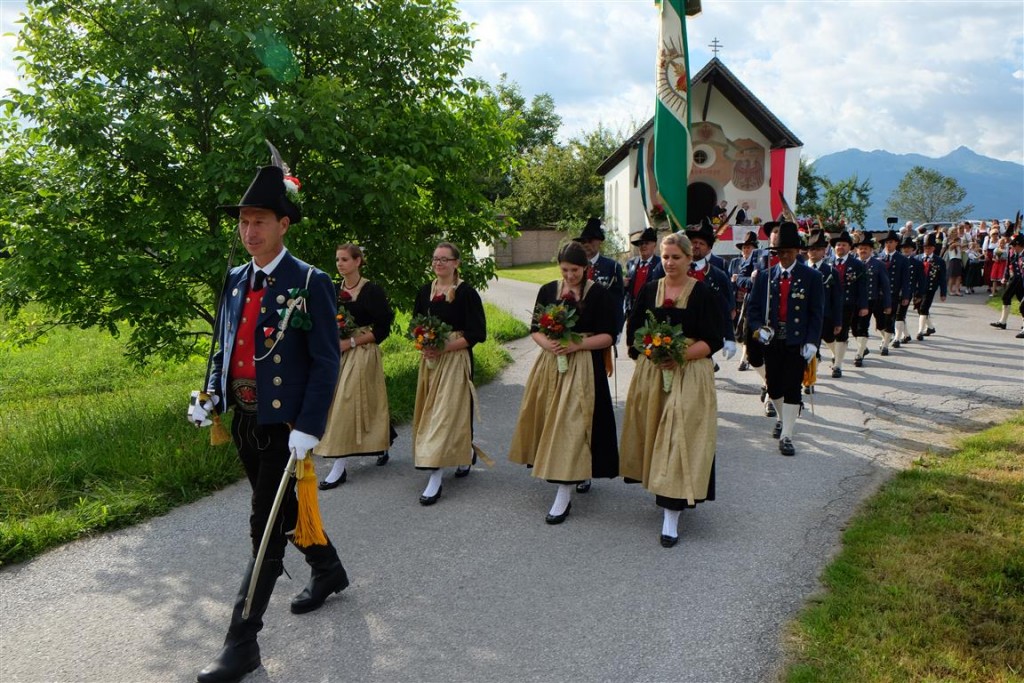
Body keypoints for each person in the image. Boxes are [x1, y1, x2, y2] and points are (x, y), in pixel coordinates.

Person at [189, 163, 348, 683]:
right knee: (284, 513)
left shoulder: (309, 282)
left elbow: (326, 361)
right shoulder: (235, 279)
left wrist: (310, 425)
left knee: (265, 529)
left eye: (259, 220)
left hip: (286, 428)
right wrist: (212, 393)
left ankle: (242, 643)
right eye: (243, 222)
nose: (249, 231)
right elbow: (225, 344)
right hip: (244, 420)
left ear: (284, 224)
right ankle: (327, 570)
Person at [619, 233, 723, 547]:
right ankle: (664, 489)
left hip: (689, 374)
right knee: (656, 436)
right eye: (666, 257)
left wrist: (678, 355)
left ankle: (671, 516)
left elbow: (713, 340)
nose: (669, 262)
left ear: (690, 259)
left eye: (676, 257)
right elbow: (635, 332)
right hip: (654, 375)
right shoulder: (650, 290)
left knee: (680, 437)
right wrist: (652, 351)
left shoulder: (703, 293)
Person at [508, 241, 619, 524]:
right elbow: (535, 330)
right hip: (551, 365)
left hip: (583, 366)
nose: (570, 276)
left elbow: (608, 336)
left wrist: (576, 344)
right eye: (565, 269)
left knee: (572, 424)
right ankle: (575, 472)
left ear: (586, 268)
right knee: (553, 423)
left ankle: (563, 493)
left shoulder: (599, 295)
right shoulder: (548, 291)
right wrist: (550, 344)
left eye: (575, 270)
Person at [314, 244, 396, 489]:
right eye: (338, 259)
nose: (340, 264)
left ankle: (338, 467)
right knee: (358, 401)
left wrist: (351, 341)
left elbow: (382, 329)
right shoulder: (333, 289)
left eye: (345, 259)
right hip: (336, 351)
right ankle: (383, 440)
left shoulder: (372, 291)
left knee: (344, 403)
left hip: (362, 349)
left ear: (358, 261)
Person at [411, 242, 487, 505]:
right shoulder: (424, 292)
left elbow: (477, 333)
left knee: (445, 413)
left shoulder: (467, 293)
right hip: (431, 360)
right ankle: (464, 450)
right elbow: (415, 324)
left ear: (456, 263)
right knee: (432, 411)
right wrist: (423, 344)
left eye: (444, 259)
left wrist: (444, 347)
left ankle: (435, 476)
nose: (438, 263)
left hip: (455, 358)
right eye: (435, 259)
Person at [746, 222, 824, 456]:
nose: (785, 256)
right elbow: (753, 309)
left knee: (792, 387)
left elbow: (816, 313)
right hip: (772, 340)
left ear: (798, 251)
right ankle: (781, 418)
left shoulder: (812, 277)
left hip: (796, 340)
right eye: (780, 252)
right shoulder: (765, 277)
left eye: (789, 251)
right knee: (774, 386)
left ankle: (787, 435)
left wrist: (812, 342)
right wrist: (760, 329)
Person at [572, 217, 624, 494]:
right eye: (582, 242)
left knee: (595, 404)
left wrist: (612, 336)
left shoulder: (611, 268)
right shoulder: (575, 269)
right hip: (573, 344)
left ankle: (592, 462)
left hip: (599, 340)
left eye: (590, 242)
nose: (587, 246)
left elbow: (617, 306)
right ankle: (575, 463)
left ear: (599, 243)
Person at [685, 220, 737, 363]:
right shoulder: (679, 270)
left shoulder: (718, 275)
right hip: (681, 334)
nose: (696, 246)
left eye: (701, 244)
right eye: (694, 242)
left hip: (707, 335)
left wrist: (730, 337)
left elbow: (727, 308)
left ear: (708, 248)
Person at [826, 230, 868, 378]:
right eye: (838, 245)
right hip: (828, 305)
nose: (840, 247)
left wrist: (863, 305)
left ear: (850, 247)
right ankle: (835, 354)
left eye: (843, 245)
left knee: (841, 334)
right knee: (827, 334)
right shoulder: (827, 263)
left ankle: (837, 365)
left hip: (847, 304)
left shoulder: (857, 264)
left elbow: (863, 286)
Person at [851, 234, 891, 366]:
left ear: (871, 250)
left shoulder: (878, 264)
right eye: (860, 248)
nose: (863, 251)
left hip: (870, 300)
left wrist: (887, 304)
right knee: (854, 328)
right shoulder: (852, 263)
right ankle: (863, 347)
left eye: (866, 248)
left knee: (863, 326)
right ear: (857, 250)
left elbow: (885, 285)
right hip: (853, 301)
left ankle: (859, 354)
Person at [805, 231, 843, 363]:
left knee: (829, 338)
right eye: (811, 249)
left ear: (824, 251)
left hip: (825, 315)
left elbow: (837, 298)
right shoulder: (800, 269)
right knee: (811, 346)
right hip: (804, 315)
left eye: (818, 249)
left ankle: (836, 356)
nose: (814, 252)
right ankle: (810, 377)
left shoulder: (831, 271)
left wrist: (838, 321)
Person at [729, 231, 760, 371]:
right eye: (744, 247)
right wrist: (733, 280)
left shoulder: (758, 264)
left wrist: (743, 280)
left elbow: (755, 282)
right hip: (736, 300)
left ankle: (744, 359)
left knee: (746, 329)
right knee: (738, 332)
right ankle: (746, 353)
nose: (746, 250)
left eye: (749, 247)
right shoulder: (735, 262)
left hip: (750, 300)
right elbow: (729, 280)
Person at [878, 230, 912, 350]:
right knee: (879, 322)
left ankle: (886, 345)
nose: (888, 244)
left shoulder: (902, 259)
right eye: (886, 242)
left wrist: (905, 296)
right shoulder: (878, 257)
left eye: (891, 242)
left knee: (889, 319)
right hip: (878, 295)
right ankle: (885, 337)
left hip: (893, 294)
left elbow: (906, 280)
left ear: (896, 243)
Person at [624, 227, 664, 320]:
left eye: (647, 243)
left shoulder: (660, 264)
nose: (643, 246)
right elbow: (628, 286)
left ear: (654, 244)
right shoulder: (631, 263)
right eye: (641, 243)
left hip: (651, 311)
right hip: (632, 310)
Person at [990, 233, 1024, 337]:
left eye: (1014, 245)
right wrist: (1005, 276)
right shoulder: (1012, 252)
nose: (1013, 247)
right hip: (1015, 279)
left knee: (1022, 306)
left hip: (1021, 280)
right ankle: (1003, 322)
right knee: (1007, 298)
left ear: (1019, 245)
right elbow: (1009, 264)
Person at [914, 233, 947, 340]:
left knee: (924, 308)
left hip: (930, 288)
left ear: (933, 248)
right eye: (925, 247)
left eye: (929, 247)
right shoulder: (917, 259)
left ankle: (920, 331)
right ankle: (931, 327)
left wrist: (943, 293)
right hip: (918, 288)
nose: (927, 249)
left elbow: (942, 278)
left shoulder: (939, 261)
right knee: (919, 308)